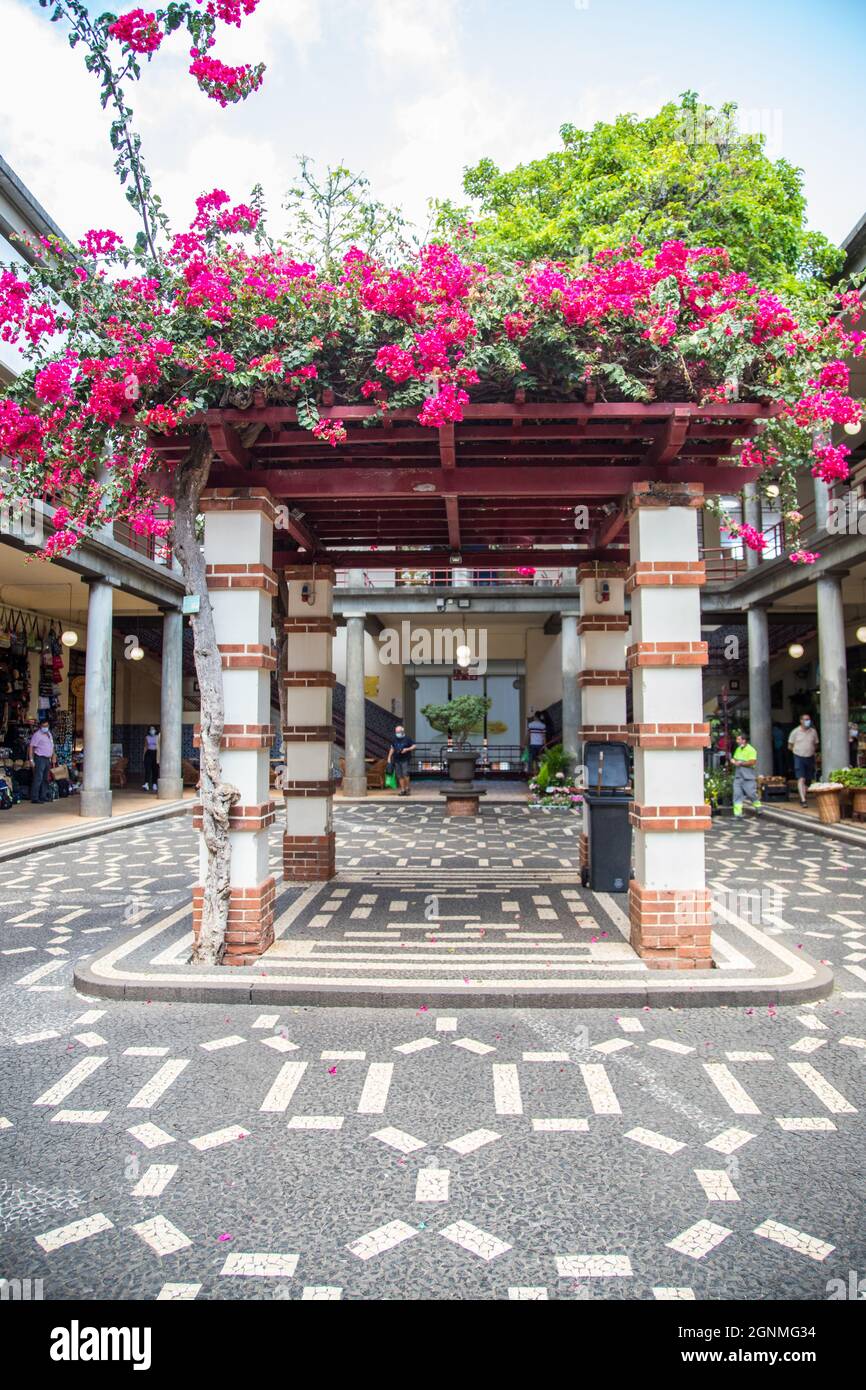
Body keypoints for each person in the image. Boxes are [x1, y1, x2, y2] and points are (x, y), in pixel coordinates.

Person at [788, 713, 819, 808]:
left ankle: (803, 795)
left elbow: (816, 744)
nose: (807, 721)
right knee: (801, 778)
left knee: (808, 780)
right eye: (805, 719)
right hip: (799, 757)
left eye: (808, 719)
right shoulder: (795, 732)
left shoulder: (813, 732)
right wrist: (797, 751)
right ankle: (803, 800)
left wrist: (812, 751)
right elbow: (790, 746)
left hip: (810, 757)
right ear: (801, 721)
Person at [731, 731, 761, 817]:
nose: (737, 741)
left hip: (748, 776)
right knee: (737, 795)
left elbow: (752, 762)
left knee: (751, 793)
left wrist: (740, 763)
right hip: (738, 776)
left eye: (738, 739)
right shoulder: (738, 749)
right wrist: (733, 761)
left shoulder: (751, 750)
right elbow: (735, 758)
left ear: (743, 740)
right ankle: (737, 814)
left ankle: (758, 806)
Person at [29, 717, 55, 804]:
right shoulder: (37, 735)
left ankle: (43, 796)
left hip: (47, 758)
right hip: (40, 758)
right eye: (44, 726)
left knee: (45, 778)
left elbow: (51, 745)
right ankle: (35, 797)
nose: (45, 727)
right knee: (38, 778)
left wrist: (53, 755)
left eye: (47, 725)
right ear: (40, 726)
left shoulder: (49, 734)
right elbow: (31, 747)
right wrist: (31, 760)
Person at [387, 725, 416, 797]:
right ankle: (403, 790)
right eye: (396, 732)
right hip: (397, 759)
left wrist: (407, 749)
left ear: (402, 731)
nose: (397, 733)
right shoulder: (394, 739)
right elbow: (392, 748)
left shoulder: (407, 738)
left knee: (405, 773)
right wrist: (389, 757)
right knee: (399, 775)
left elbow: (414, 746)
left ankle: (407, 788)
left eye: (399, 732)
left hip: (405, 759)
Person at [143, 725, 160, 792]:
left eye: (153, 729)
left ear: (155, 730)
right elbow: (145, 747)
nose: (152, 730)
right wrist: (143, 756)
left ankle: (154, 784)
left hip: (155, 753)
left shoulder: (158, 737)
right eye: (150, 729)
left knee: (155, 769)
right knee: (147, 769)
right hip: (148, 753)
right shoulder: (147, 737)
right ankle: (146, 783)